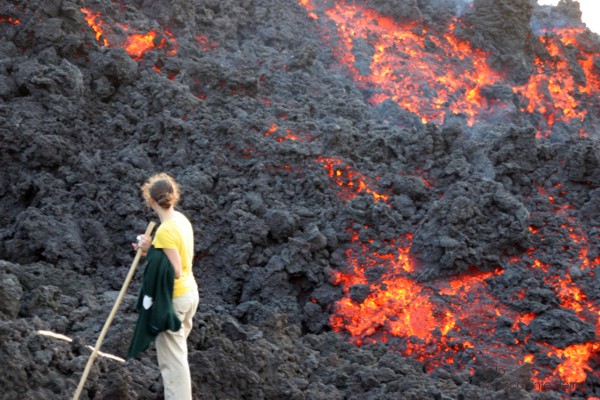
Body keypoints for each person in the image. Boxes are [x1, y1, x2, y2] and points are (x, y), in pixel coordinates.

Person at [133, 172, 199, 400]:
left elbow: (175, 269)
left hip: (173, 301)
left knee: (174, 364)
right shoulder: (180, 220)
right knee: (177, 354)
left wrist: (151, 247)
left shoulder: (165, 231)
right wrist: (150, 247)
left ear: (150, 200)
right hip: (189, 295)